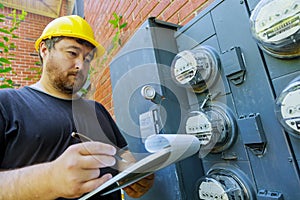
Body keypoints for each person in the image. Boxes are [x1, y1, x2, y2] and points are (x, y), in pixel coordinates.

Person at [0, 15, 154, 200]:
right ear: (44, 50)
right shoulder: (7, 104)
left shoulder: (97, 111)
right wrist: (49, 179)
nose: (81, 65)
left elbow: (122, 155)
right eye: (72, 53)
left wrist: (133, 172)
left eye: (87, 59)